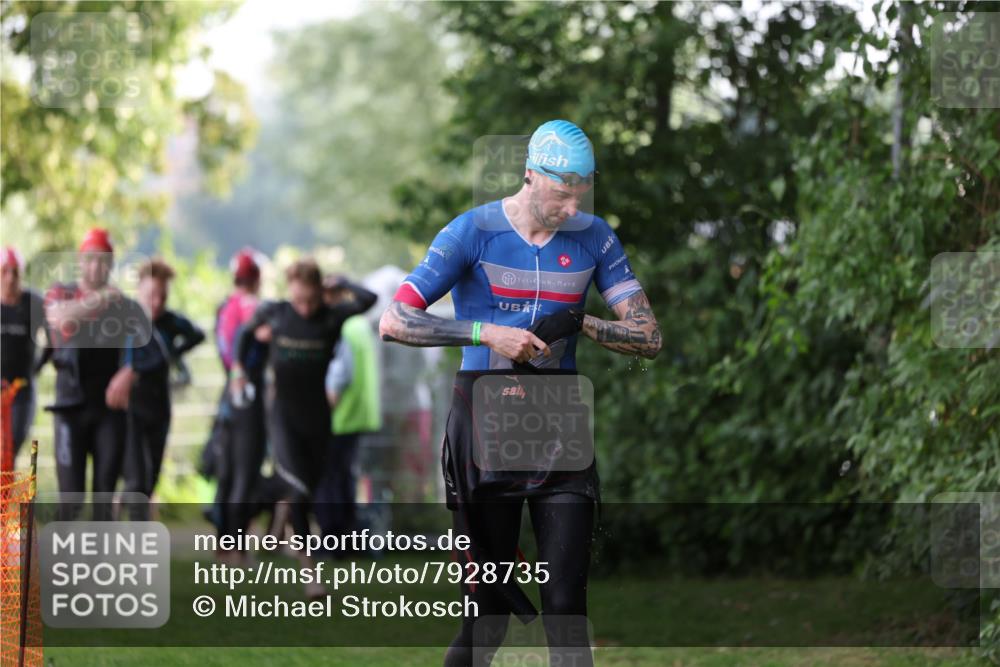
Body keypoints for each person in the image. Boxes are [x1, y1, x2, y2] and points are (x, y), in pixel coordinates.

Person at [379, 120, 661, 667]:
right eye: (562, 191)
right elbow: (395, 321)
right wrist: (486, 332)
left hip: (560, 429)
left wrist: (583, 323)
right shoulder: (472, 232)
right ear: (530, 175)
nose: (572, 204)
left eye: (582, 189)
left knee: (566, 610)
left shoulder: (595, 236)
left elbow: (649, 337)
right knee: (488, 619)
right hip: (483, 429)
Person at [230, 260, 376, 559]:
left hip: (318, 417)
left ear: (320, 294)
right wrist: (238, 371)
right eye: (298, 300)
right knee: (297, 488)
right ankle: (310, 570)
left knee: (306, 489)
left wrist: (343, 282)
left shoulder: (332, 317)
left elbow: (369, 300)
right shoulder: (277, 312)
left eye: (310, 300)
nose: (305, 309)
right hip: (282, 414)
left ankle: (261, 503)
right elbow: (244, 336)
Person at [43, 228, 152, 518]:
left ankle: (100, 563)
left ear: (111, 263)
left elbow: (151, 351)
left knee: (104, 496)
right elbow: (59, 318)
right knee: (72, 499)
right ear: (81, 260)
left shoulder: (125, 306)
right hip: (69, 409)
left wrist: (131, 371)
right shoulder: (61, 292)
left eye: (104, 259)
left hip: (108, 411)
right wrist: (101, 299)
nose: (96, 266)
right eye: (91, 258)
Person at [122, 258, 204, 518]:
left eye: (163, 297)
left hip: (159, 406)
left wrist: (173, 354)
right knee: (137, 479)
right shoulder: (126, 324)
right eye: (151, 296)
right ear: (139, 292)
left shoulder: (170, 322)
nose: (157, 303)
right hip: (130, 408)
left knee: (150, 479)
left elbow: (197, 334)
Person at [314, 275, 383, 559]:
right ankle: (347, 540)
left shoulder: (339, 326)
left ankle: (333, 541)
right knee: (345, 480)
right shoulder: (360, 325)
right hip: (359, 415)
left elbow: (338, 375)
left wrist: (320, 410)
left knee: (330, 481)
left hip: (338, 416)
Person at [208, 248, 268, 556]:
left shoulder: (224, 307)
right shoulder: (254, 308)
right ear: (256, 277)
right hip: (249, 394)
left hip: (228, 394)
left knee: (228, 471)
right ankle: (237, 548)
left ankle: (223, 543)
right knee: (246, 472)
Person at [1, 246, 49, 462]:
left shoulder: (33, 303)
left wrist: (37, 367)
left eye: (15, 272)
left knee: (8, 451)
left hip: (22, 392)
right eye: (4, 271)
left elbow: (55, 338)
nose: (10, 278)